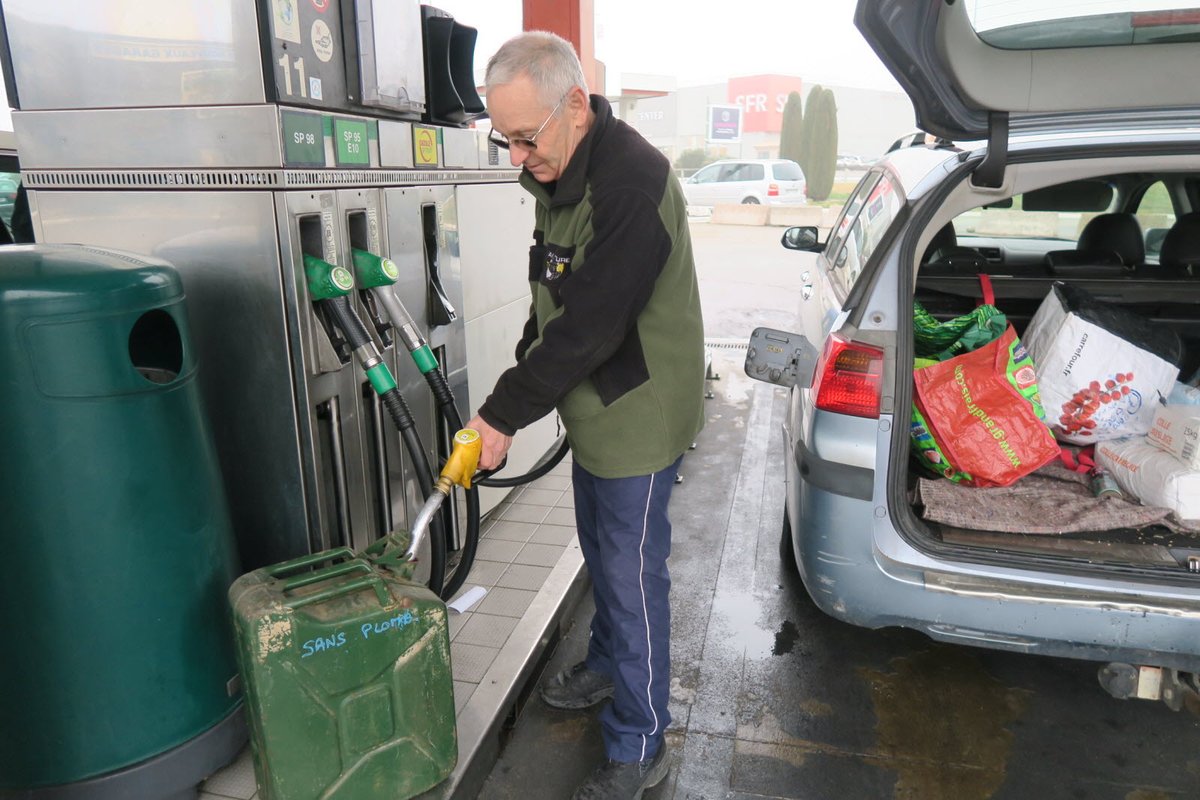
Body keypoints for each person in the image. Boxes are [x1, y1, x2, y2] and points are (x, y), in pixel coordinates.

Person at [465, 30, 705, 800]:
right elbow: (553, 296)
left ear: (575, 105)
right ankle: (605, 665)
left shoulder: (629, 185)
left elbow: (592, 325)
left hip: (638, 413)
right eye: (504, 139)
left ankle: (640, 743)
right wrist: (511, 393)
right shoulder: (562, 171)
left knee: (632, 580)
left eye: (524, 137)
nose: (516, 156)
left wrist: (503, 414)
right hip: (596, 410)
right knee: (603, 557)